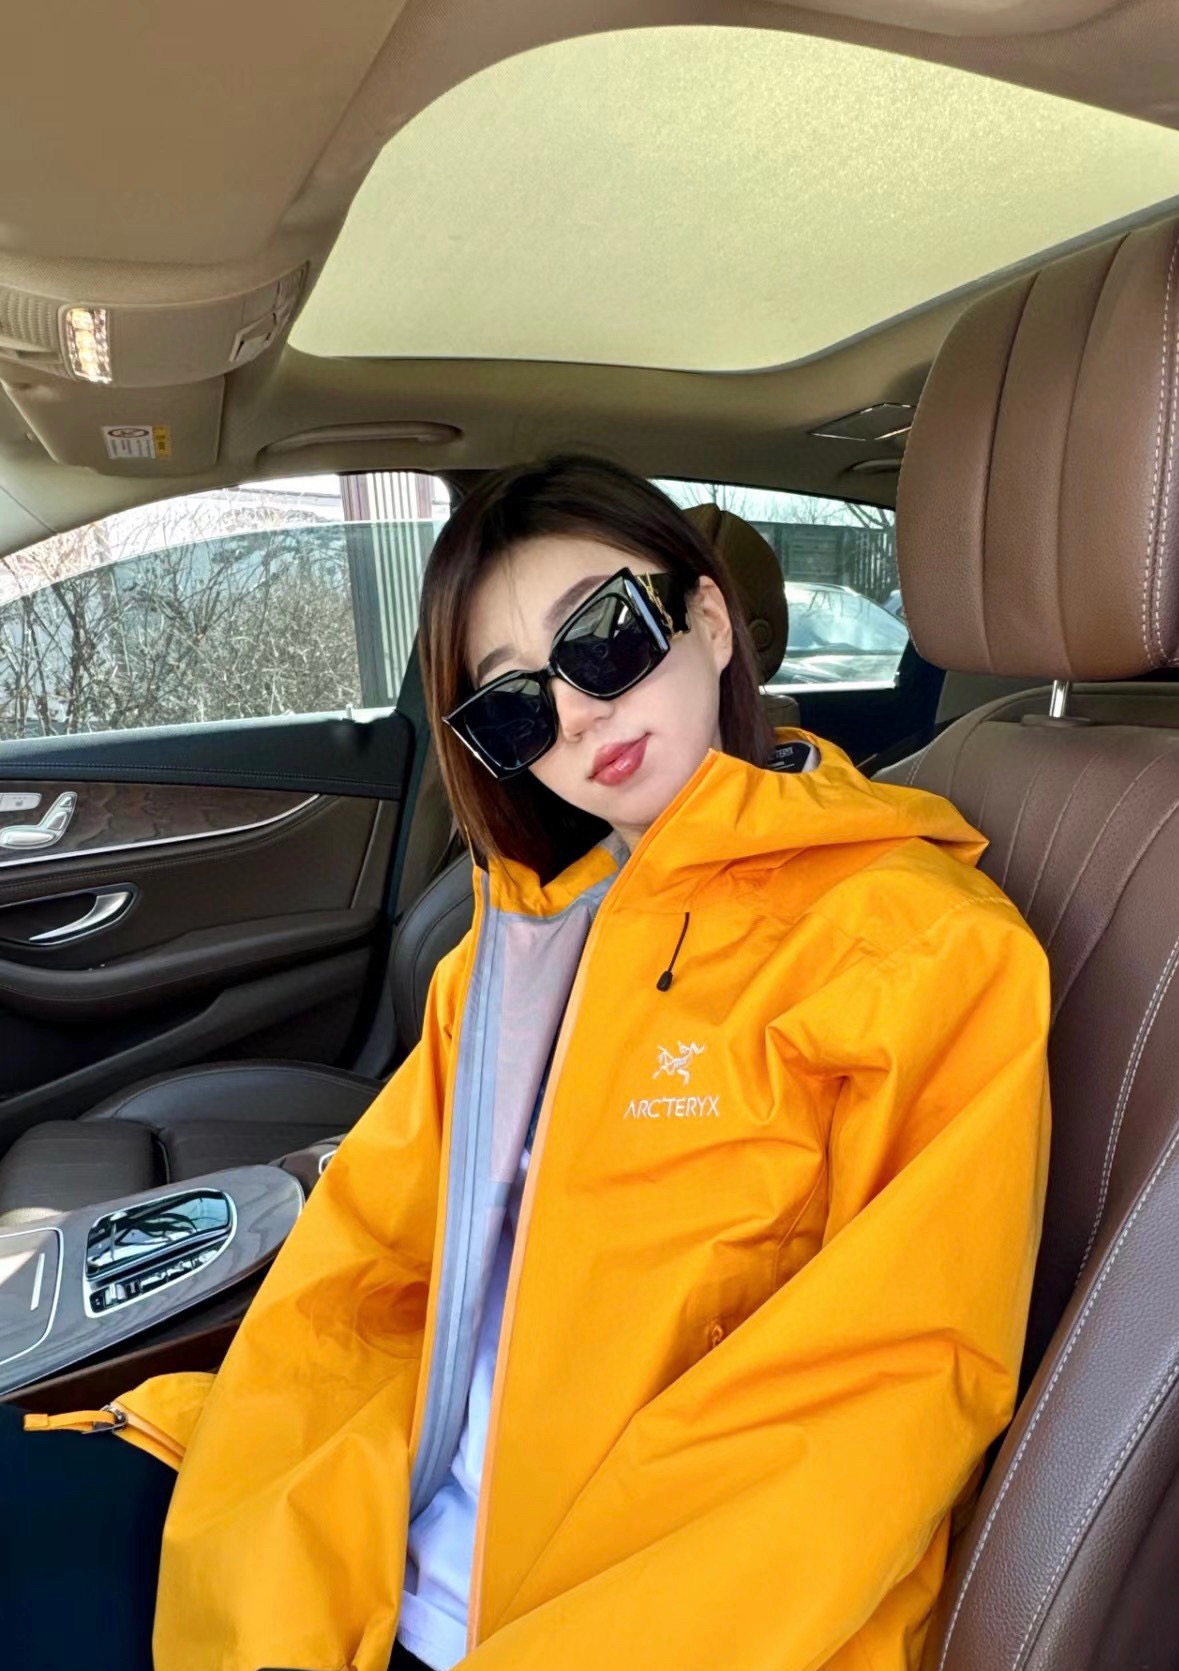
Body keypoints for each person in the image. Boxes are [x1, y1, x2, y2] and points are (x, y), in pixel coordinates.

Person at [8, 457, 1051, 1671]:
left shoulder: (921, 946)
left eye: (603, 637)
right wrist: (266, 1519)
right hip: (364, 1527)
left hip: (624, 1616)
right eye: (512, 703)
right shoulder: (516, 952)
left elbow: (876, 1402)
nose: (577, 714)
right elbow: (370, 1270)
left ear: (710, 619)